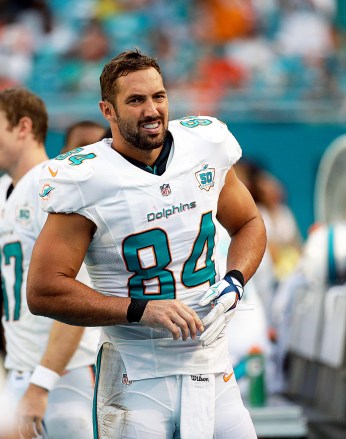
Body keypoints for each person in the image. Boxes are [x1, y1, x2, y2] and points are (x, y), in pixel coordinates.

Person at [27, 49, 266, 438]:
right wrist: (140, 309)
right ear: (108, 110)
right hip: (136, 375)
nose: (151, 110)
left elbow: (249, 223)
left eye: (158, 96)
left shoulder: (205, 146)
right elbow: (42, 291)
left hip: (212, 366)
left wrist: (235, 279)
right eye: (135, 100)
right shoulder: (86, 178)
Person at [0, 87, 99, 439]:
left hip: (61, 374)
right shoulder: (5, 190)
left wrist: (42, 383)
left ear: (23, 126)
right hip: (21, 368)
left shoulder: (51, 185)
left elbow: (75, 293)